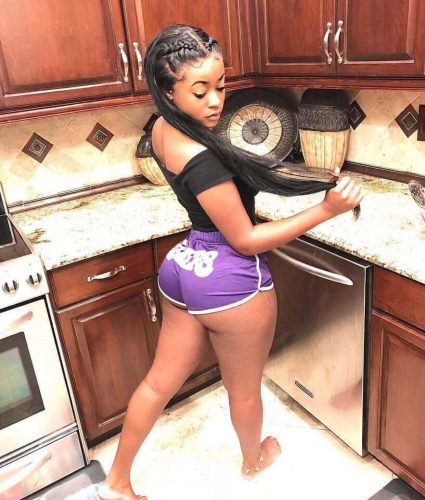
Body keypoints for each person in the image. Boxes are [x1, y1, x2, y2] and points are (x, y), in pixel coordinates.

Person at [99, 24, 363, 500]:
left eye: (220, 86)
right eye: (200, 91)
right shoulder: (204, 157)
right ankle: (253, 460)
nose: (216, 101)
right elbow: (245, 240)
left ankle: (116, 481)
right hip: (229, 281)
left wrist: (307, 178)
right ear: (168, 89)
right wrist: (326, 210)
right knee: (243, 389)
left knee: (158, 384)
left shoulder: (163, 129)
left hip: (184, 269)